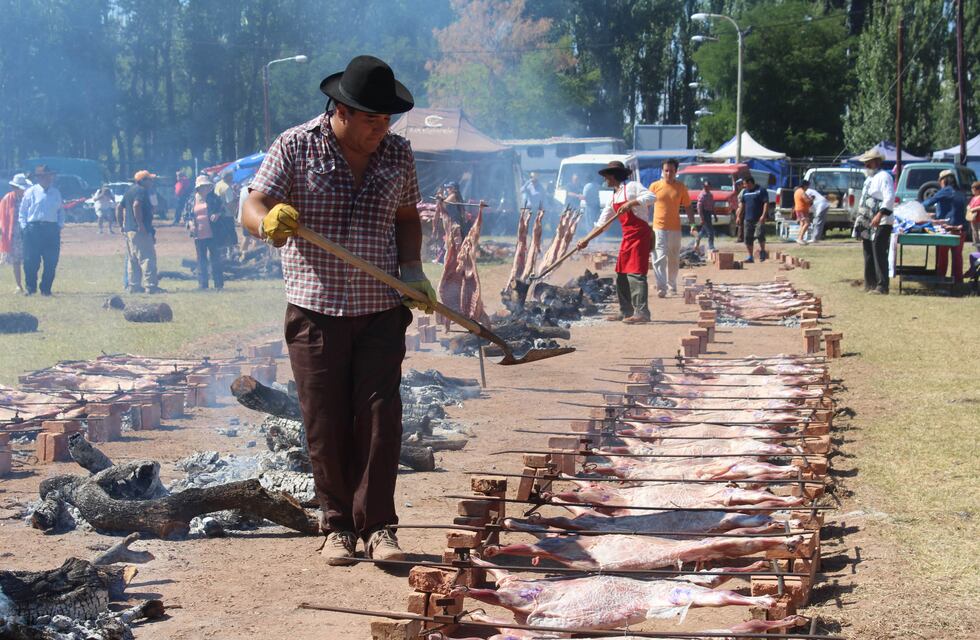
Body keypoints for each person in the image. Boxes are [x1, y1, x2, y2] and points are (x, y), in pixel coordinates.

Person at [242, 54, 434, 566]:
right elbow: (252, 205)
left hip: (379, 308)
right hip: (316, 308)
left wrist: (412, 269)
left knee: (379, 417)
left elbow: (407, 216)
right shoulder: (295, 145)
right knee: (324, 420)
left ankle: (379, 527)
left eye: (387, 119)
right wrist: (267, 222)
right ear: (341, 111)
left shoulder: (398, 154)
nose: (381, 129)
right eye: (372, 119)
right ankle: (337, 527)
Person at [576, 161, 655, 324]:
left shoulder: (632, 187)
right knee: (621, 273)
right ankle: (626, 311)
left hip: (640, 235)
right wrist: (586, 240)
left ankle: (642, 312)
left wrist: (631, 203)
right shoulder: (614, 198)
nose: (605, 179)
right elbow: (601, 225)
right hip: (628, 237)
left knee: (636, 273)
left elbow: (652, 197)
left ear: (613, 175)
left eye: (606, 176)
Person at [18, 165, 63, 296]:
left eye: (49, 176)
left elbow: (60, 211)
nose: (47, 178)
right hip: (33, 229)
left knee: (51, 261)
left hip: (51, 229)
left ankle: (46, 289)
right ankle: (30, 288)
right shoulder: (30, 192)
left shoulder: (56, 193)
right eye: (44, 176)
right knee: (30, 260)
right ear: (38, 178)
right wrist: (24, 227)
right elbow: (23, 212)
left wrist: (59, 226)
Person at [649, 158, 691, 297]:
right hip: (658, 227)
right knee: (659, 257)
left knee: (673, 257)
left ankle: (672, 286)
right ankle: (661, 287)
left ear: (676, 172)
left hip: (675, 228)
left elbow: (688, 206)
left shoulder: (681, 187)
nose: (668, 173)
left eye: (671, 171)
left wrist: (693, 224)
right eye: (666, 170)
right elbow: (646, 205)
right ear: (662, 171)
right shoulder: (654, 186)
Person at [855, 148, 895, 294]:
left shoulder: (884, 176)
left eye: (868, 162)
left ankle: (882, 286)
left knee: (879, 251)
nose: (866, 165)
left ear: (877, 162)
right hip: (867, 221)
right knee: (868, 252)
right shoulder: (869, 179)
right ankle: (870, 283)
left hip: (882, 220)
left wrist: (879, 215)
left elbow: (889, 197)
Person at [118, 170, 164, 294]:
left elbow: (119, 207)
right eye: (149, 179)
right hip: (139, 230)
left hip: (129, 231)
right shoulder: (141, 191)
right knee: (147, 258)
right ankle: (151, 286)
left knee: (133, 259)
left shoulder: (129, 191)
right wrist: (140, 224)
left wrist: (121, 225)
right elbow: (136, 205)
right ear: (143, 180)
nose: (152, 182)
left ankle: (134, 286)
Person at [922, 169, 967, 284]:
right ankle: (957, 281)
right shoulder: (961, 191)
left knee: (942, 256)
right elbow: (953, 209)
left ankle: (941, 280)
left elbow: (927, 203)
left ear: (944, 181)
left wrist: (916, 206)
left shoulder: (946, 191)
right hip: (961, 229)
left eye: (940, 181)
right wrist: (936, 214)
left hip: (949, 229)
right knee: (957, 256)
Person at [184, 175, 224, 290]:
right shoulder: (192, 199)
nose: (206, 188)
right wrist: (190, 223)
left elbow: (222, 209)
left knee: (215, 259)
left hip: (213, 233)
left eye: (208, 186)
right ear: (199, 187)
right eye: (204, 186)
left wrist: (217, 214)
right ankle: (203, 285)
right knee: (201, 260)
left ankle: (218, 284)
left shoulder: (214, 198)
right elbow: (186, 214)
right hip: (198, 234)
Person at [1, 173, 31, 293]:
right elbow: (2, 215)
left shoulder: (29, 198)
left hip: (27, 233)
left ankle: (30, 284)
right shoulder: (7, 199)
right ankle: (19, 285)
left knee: (29, 260)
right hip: (13, 234)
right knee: (16, 261)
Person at [735, 175, 769, 263]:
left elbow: (766, 203)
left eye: (745, 184)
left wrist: (763, 215)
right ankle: (750, 256)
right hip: (748, 218)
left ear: (750, 183)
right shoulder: (745, 192)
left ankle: (762, 251)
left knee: (760, 234)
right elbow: (742, 205)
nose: (744, 186)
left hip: (759, 218)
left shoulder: (761, 190)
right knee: (747, 237)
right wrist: (738, 216)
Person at [693, 180, 716, 252]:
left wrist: (715, 215)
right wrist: (702, 218)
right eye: (705, 186)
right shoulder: (702, 195)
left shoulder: (710, 195)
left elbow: (712, 206)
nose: (706, 188)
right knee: (710, 231)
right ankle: (711, 246)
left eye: (708, 186)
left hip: (709, 214)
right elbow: (699, 207)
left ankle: (697, 239)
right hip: (704, 214)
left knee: (703, 231)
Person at [793, 180, 813, 245]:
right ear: (804, 185)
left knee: (802, 224)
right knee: (807, 223)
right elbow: (807, 201)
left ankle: (799, 238)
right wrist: (812, 199)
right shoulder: (802, 192)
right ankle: (800, 238)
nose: (808, 188)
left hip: (799, 209)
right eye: (807, 186)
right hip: (802, 210)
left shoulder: (797, 191)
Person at [968, 181, 980, 250]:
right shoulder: (973, 198)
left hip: (979, 221)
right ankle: (978, 251)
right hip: (973, 220)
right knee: (975, 235)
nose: (972, 191)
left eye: (973, 189)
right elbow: (969, 206)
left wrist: (974, 209)